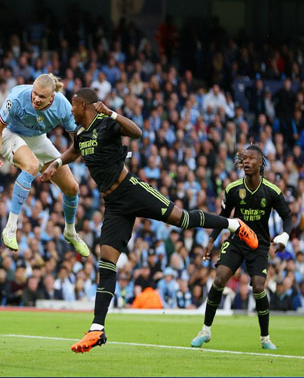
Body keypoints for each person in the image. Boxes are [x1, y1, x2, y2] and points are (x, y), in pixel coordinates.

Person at [41, 88, 258, 354]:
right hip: (113, 205)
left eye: (73, 106)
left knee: (183, 219)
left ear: (84, 105)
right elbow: (76, 150)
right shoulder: (82, 132)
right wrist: (56, 163)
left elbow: (137, 132)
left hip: (131, 189)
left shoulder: (105, 123)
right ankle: (97, 329)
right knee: (106, 262)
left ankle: (234, 225)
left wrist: (112, 112)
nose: (70, 110)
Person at [191, 145, 291, 350]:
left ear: (260, 163)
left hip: (260, 245)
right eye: (244, 158)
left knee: (259, 287)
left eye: (251, 158)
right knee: (219, 279)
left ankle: (265, 338)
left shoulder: (272, 191)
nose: (246, 162)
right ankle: (205, 331)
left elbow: (287, 216)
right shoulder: (234, 188)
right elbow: (223, 217)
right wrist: (211, 241)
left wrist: (284, 236)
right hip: (237, 241)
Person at [0, 73, 89, 258]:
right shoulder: (17, 98)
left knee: (72, 187)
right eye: (34, 93)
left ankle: (70, 231)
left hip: (37, 139)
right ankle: (11, 227)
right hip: (10, 135)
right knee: (32, 165)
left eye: (42, 97)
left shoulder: (63, 106)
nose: (36, 98)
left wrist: (64, 161)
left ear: (52, 97)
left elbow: (76, 142)